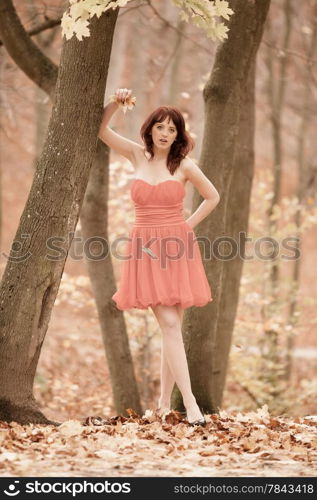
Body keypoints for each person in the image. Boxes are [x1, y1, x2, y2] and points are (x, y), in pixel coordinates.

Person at [98, 88, 220, 426]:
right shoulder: (136, 156)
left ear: (179, 135)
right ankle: (189, 403)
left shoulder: (183, 165)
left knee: (172, 327)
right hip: (145, 248)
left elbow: (212, 197)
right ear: (150, 128)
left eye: (172, 129)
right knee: (169, 324)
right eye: (160, 127)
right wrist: (116, 103)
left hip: (175, 248)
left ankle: (168, 401)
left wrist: (185, 227)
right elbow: (101, 130)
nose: (165, 134)